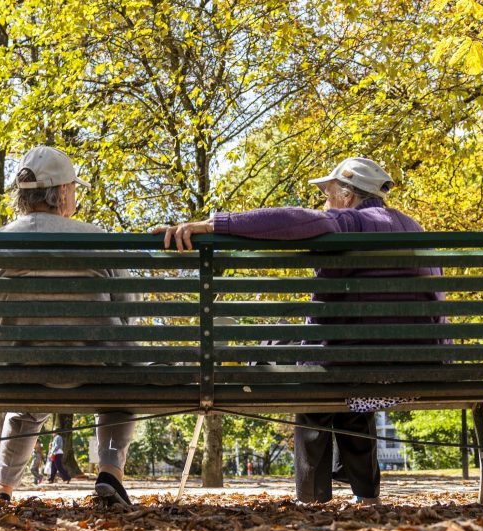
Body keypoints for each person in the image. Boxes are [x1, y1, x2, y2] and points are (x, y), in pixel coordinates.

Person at [154, 157, 445, 506]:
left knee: (313, 376)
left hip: (349, 365)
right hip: (418, 366)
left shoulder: (352, 222)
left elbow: (297, 220)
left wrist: (213, 224)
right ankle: (365, 494)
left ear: (347, 196)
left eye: (327, 195)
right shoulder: (414, 228)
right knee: (348, 383)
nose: (323, 204)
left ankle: (312, 497)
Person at [0, 145, 138, 508]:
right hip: (98, 371)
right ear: (63, 192)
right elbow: (129, 314)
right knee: (124, 388)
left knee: (26, 405)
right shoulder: (99, 239)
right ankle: (110, 474)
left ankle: (2, 489)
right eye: (73, 189)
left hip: (20, 371)